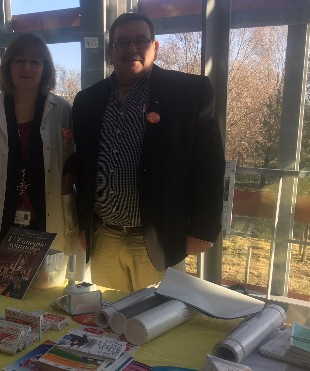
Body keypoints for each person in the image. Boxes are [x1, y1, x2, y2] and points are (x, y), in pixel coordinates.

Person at [71, 13, 225, 293]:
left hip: (158, 238)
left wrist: (203, 228)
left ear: (155, 47)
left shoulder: (189, 92)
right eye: (122, 42)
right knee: (106, 322)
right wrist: (84, 225)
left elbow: (210, 165)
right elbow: (83, 168)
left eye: (141, 41)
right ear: (110, 51)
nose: (132, 48)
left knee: (154, 325)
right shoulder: (86, 101)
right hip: (104, 237)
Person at [0, 33, 77, 272]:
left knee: (44, 287)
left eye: (35, 62)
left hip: (47, 216)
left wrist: (66, 187)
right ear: (8, 67)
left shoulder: (63, 111)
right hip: (0, 217)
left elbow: (78, 158)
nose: (27, 68)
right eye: (19, 61)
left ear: (45, 68)